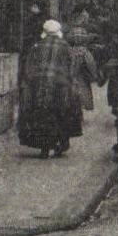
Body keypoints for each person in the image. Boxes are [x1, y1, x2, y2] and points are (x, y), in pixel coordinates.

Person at [17, 20, 81, 157]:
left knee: (41, 114)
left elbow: (28, 67)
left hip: (38, 86)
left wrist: (29, 82)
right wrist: (71, 81)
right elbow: (73, 66)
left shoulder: (36, 46)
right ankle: (62, 142)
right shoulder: (66, 46)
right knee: (63, 112)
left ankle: (44, 148)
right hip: (60, 85)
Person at [66, 23, 102, 114]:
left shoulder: (68, 50)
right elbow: (91, 65)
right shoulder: (85, 51)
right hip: (81, 78)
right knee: (83, 95)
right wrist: (95, 76)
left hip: (69, 78)